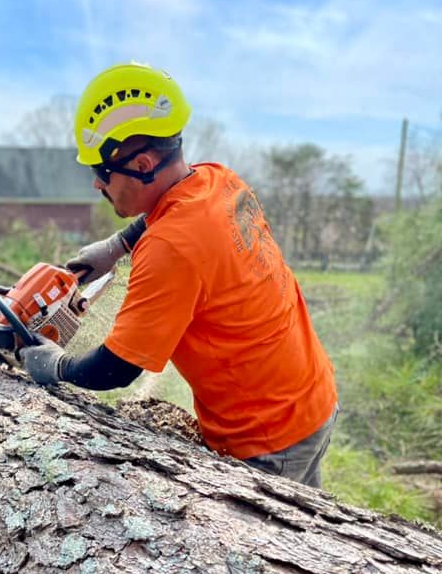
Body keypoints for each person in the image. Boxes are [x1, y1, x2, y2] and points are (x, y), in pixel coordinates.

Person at [20, 62, 337, 488]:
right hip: (313, 397)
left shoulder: (171, 248)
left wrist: (56, 367)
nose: (97, 185)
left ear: (144, 163)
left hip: (267, 439)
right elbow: (173, 215)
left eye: (101, 172)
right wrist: (116, 248)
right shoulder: (218, 181)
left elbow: (117, 368)